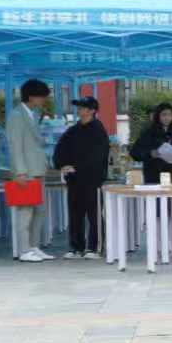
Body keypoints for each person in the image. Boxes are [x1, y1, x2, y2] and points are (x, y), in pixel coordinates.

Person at [53, 96, 111, 259]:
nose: (79, 110)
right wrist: (62, 165)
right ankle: (76, 247)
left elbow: (97, 157)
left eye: (82, 107)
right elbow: (60, 149)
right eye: (78, 107)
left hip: (93, 180)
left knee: (94, 214)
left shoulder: (98, 130)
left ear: (92, 110)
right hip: (74, 179)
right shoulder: (73, 130)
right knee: (75, 214)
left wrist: (78, 167)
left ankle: (94, 247)